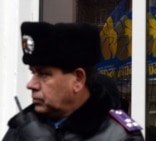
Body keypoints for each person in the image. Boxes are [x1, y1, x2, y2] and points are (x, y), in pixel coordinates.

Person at [2, 22, 144, 141]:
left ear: (78, 79)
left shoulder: (119, 135)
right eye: (33, 72)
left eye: (44, 74)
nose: (31, 84)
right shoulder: (20, 130)